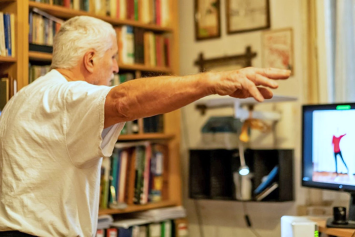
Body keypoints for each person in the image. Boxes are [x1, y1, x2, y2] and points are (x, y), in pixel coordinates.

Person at [0, 16, 290, 237]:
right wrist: (212, 82)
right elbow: (124, 101)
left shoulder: (23, 97)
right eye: (112, 57)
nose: (115, 68)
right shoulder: (66, 97)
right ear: (90, 59)